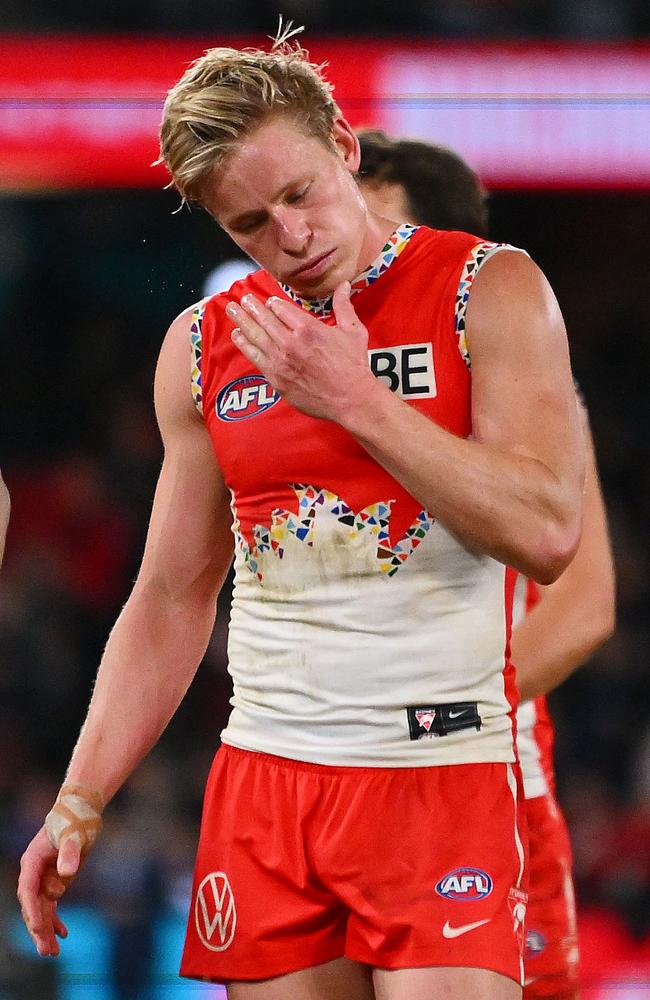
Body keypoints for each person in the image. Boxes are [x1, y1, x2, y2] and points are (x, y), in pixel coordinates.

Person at [17, 28, 585, 1000]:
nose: (290, 237)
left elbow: (544, 532)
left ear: (345, 147)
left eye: (299, 194)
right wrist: (79, 799)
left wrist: (358, 401)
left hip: (438, 774)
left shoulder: (485, 287)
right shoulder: (204, 346)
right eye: (248, 224)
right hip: (268, 785)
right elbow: (168, 595)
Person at [357, 129, 616, 999]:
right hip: (334, 789)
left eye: (379, 233)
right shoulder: (329, 391)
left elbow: (582, 609)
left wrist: (429, 724)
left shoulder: (526, 397)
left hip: (484, 788)